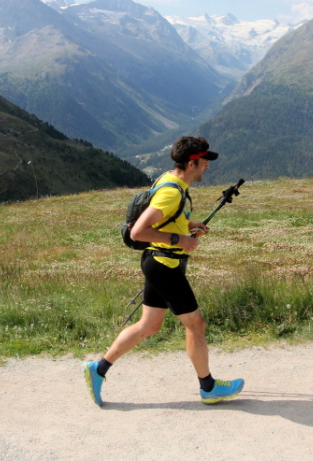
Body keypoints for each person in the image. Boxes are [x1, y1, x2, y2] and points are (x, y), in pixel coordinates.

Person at [83, 136, 244, 406]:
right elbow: (138, 231)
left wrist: (188, 225)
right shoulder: (172, 192)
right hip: (164, 266)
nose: (208, 165)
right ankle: (208, 388)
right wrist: (180, 240)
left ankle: (97, 370)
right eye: (205, 160)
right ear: (192, 163)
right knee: (196, 324)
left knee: (149, 325)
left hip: (156, 262)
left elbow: (166, 219)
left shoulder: (169, 179)